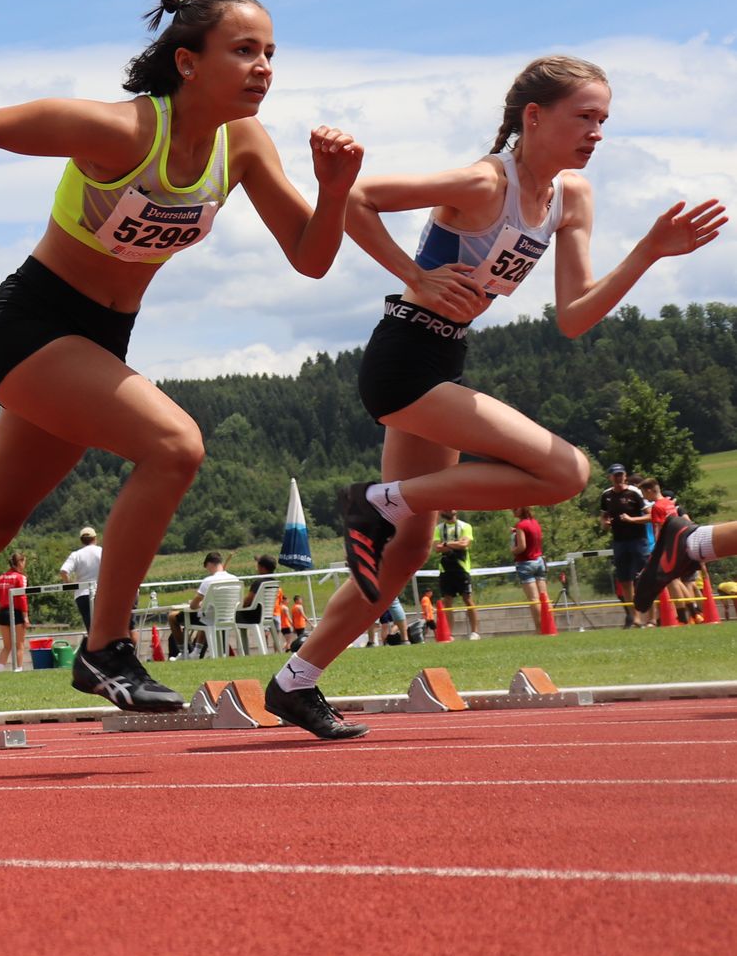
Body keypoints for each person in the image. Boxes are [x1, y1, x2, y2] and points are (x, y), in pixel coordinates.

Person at [0, 0, 362, 770]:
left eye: (271, 54)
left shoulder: (245, 146)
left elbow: (312, 257)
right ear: (188, 62)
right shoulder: (123, 130)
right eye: (244, 51)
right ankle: (107, 647)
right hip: (30, 327)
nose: (262, 68)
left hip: (99, 342)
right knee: (174, 446)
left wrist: (333, 189)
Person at [269, 55, 723, 738]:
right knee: (566, 471)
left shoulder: (570, 197)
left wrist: (649, 252)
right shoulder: (485, 181)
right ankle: (374, 501)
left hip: (443, 358)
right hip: (405, 357)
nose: (597, 133)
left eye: (604, 120)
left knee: (407, 549)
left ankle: (294, 681)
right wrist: (410, 276)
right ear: (533, 118)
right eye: (585, 117)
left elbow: (573, 317)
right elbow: (355, 197)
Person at [174, 552, 239, 658]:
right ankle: (196, 651)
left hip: (210, 618)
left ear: (209, 564)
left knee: (172, 617)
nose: (208, 571)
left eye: (207, 568)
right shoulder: (235, 579)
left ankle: (183, 652)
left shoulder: (208, 581)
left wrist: (198, 603)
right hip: (228, 617)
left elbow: (193, 606)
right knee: (206, 614)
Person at [435, 513, 480, 640]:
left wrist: (445, 544)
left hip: (462, 568)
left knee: (467, 598)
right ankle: (449, 634)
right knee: (447, 601)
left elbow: (464, 544)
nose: (449, 509)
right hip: (445, 569)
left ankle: (475, 632)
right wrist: (454, 544)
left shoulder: (465, 526)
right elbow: (437, 548)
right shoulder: (438, 529)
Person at [60, 527, 103, 633]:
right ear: (95, 538)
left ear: (81, 540)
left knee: (91, 629)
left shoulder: (76, 555)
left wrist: (70, 584)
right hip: (101, 593)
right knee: (103, 628)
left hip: (82, 594)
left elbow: (63, 571)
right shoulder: (102, 551)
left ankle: (92, 647)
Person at [0, 552, 29, 669]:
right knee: (20, 645)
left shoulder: (1, 577)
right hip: (16, 612)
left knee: (6, 646)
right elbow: (22, 597)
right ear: (20, 562)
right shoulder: (21, 577)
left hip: (2, 613)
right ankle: (19, 669)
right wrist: (25, 617)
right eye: (24, 562)